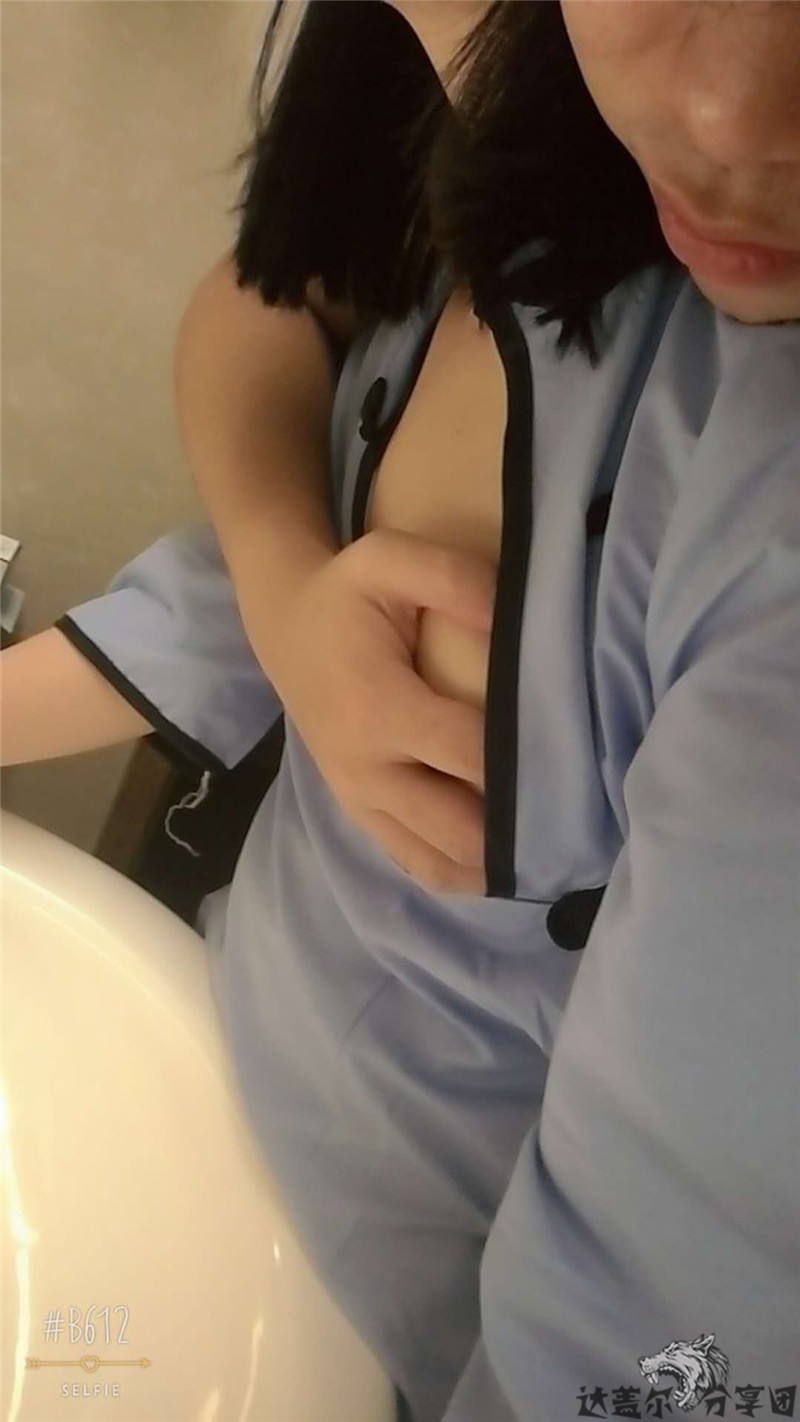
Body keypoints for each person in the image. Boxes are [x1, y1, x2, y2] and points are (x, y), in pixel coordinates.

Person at [2, 3, 799, 1420]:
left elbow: (652, 1336)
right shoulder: (529, 149)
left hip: (362, 1319)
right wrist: (283, 581)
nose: (728, 116)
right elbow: (280, 305)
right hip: (213, 1037)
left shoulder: (730, 456)